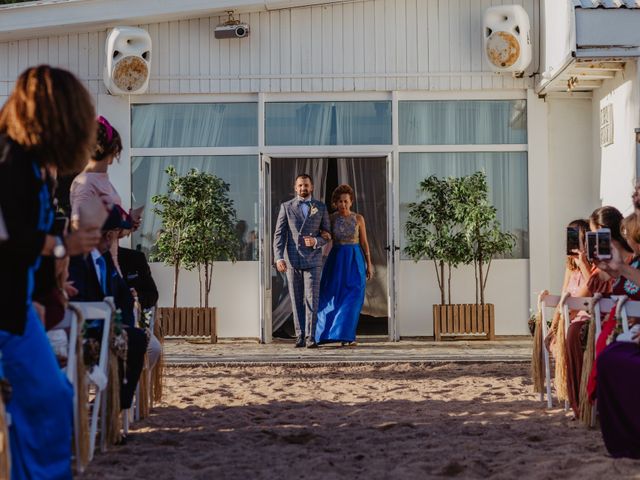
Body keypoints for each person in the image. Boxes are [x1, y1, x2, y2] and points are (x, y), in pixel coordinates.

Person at [0, 65, 99, 480]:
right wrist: (63, 245)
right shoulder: (10, 159)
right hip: (6, 309)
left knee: (49, 400)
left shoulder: (36, 165)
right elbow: (13, 234)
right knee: (47, 399)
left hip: (17, 305)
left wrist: (41, 294)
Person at [68, 209, 148, 412]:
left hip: (106, 327)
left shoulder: (104, 261)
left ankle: (115, 405)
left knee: (137, 338)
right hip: (85, 328)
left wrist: (124, 325)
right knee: (136, 340)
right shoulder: (77, 260)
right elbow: (76, 298)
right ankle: (113, 406)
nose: (117, 238)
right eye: (117, 233)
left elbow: (124, 297)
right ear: (109, 234)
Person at [592, 212, 640, 457]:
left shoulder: (630, 262)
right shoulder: (632, 262)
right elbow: (619, 282)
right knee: (609, 354)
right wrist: (613, 270)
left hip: (632, 325)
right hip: (627, 324)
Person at [273, 174, 330, 348]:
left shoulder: (320, 207)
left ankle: (311, 338)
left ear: (311, 187)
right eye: (299, 185)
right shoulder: (286, 207)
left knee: (312, 299)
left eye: (306, 185)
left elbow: (327, 234)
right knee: (296, 299)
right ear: (295, 188)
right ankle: (300, 335)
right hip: (292, 261)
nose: (303, 188)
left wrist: (316, 242)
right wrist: (278, 257)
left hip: (313, 261)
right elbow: (279, 235)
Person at [315, 185, 373, 346]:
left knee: (354, 297)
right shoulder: (331, 218)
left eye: (346, 201)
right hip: (336, 259)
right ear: (335, 203)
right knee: (332, 296)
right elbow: (324, 234)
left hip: (355, 259)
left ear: (351, 202)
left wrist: (369, 264)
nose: (343, 204)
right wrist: (324, 234)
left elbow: (364, 243)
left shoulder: (359, 219)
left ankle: (347, 336)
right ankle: (326, 334)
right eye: (339, 201)